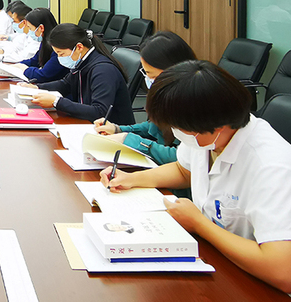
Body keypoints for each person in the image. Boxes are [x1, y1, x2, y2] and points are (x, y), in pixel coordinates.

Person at [100, 61, 291, 293]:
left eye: (180, 127)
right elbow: (184, 170)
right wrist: (132, 179)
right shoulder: (206, 136)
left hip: (257, 285)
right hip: (217, 261)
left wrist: (199, 224)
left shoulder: (272, 166)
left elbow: (282, 271)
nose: (177, 133)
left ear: (217, 125)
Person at [94, 31, 196, 168]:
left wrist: (132, 141)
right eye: (145, 73)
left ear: (173, 70)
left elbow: (184, 159)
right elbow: (154, 126)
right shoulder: (167, 95)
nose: (148, 80)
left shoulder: (194, 101)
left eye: (151, 75)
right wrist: (118, 129)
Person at [24, 23, 135, 124]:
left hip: (112, 132)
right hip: (89, 123)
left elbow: (100, 111)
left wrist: (56, 102)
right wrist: (37, 87)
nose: (59, 58)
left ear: (79, 47)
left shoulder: (103, 70)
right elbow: (66, 84)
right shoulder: (83, 62)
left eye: (61, 54)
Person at [13, 7, 67, 82]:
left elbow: (42, 75)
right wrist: (17, 65)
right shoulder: (45, 41)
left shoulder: (59, 46)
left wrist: (25, 69)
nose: (29, 31)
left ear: (41, 28)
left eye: (30, 28)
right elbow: (35, 61)